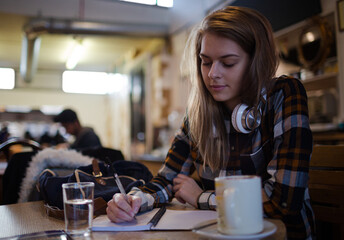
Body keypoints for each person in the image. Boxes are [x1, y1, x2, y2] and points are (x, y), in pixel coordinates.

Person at [107, 6, 314, 239]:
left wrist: (200, 198)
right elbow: (166, 180)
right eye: (206, 62)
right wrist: (133, 200)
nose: (213, 74)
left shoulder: (285, 94)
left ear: (255, 62)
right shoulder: (198, 114)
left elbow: (283, 204)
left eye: (228, 63)